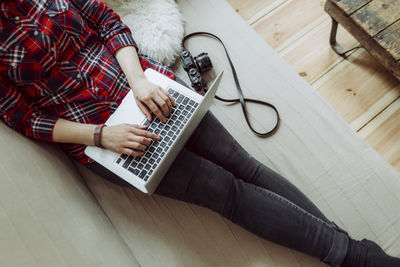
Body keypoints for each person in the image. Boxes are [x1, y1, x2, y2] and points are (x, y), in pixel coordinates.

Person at [0, 0, 399, 266]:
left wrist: (139, 81)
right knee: (226, 192)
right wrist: (102, 136)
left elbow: (105, 22)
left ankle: (352, 255)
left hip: (147, 89)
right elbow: (23, 117)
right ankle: (358, 257)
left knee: (246, 167)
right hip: (104, 136)